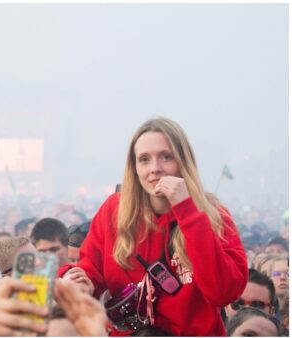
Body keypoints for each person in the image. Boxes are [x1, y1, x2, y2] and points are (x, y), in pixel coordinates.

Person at [58, 117, 247, 335]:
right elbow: (90, 270)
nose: (155, 169)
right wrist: (77, 280)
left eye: (166, 157)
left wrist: (187, 210)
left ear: (183, 162)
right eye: (144, 160)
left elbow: (224, 292)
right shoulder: (114, 210)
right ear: (135, 168)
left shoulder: (213, 214)